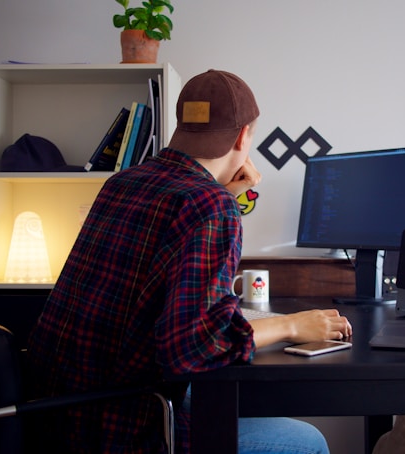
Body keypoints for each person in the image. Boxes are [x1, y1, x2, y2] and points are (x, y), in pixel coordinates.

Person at [27, 69, 352, 453]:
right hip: (127, 424)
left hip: (57, 415)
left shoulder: (123, 181)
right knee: (307, 442)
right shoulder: (207, 205)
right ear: (243, 135)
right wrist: (292, 326)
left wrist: (225, 196)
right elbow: (194, 350)